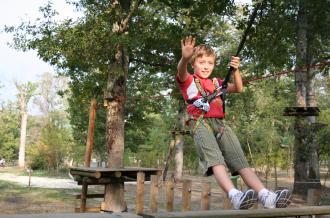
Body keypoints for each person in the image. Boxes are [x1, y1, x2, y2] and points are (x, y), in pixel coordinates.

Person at [176, 36, 291, 209]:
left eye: (210, 63)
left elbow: (238, 88)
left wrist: (236, 70)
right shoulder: (189, 81)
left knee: (240, 161)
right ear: (194, 64)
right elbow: (181, 71)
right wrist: (185, 58)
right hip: (200, 123)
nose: (206, 66)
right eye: (201, 62)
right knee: (216, 160)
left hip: (221, 125)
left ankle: (265, 195)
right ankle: (234, 195)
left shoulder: (217, 83)